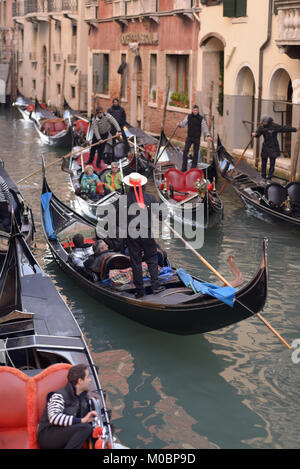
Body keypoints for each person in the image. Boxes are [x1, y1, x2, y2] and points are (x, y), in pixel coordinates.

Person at [121, 172, 164, 299]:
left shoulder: (124, 199)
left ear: (129, 185)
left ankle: (140, 291)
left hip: (132, 234)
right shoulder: (150, 198)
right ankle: (156, 286)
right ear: (142, 185)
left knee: (136, 261)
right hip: (146, 232)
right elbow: (161, 215)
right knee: (152, 258)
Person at [37, 363, 98, 449]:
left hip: (64, 434)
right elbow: (54, 418)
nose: (90, 380)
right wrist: (82, 420)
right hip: (47, 436)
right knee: (85, 428)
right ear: (80, 381)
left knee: (88, 429)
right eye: (88, 377)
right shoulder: (59, 395)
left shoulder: (83, 399)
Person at [252, 115, 297, 183]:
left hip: (273, 147)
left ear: (267, 121)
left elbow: (284, 128)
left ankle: (269, 178)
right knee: (263, 162)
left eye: (264, 122)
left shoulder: (274, 126)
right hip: (265, 147)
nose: (263, 124)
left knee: (272, 163)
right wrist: (255, 134)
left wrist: (295, 129)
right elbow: (258, 134)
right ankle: (263, 177)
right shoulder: (261, 127)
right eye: (262, 122)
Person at [179, 105, 213, 172]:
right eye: (194, 110)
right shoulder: (188, 117)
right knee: (185, 151)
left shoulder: (201, 119)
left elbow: (205, 128)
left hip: (197, 138)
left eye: (196, 110)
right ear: (192, 110)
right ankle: (184, 167)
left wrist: (208, 136)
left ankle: (193, 168)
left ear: (198, 111)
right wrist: (179, 125)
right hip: (189, 137)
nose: (195, 111)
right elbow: (183, 124)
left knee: (196, 153)